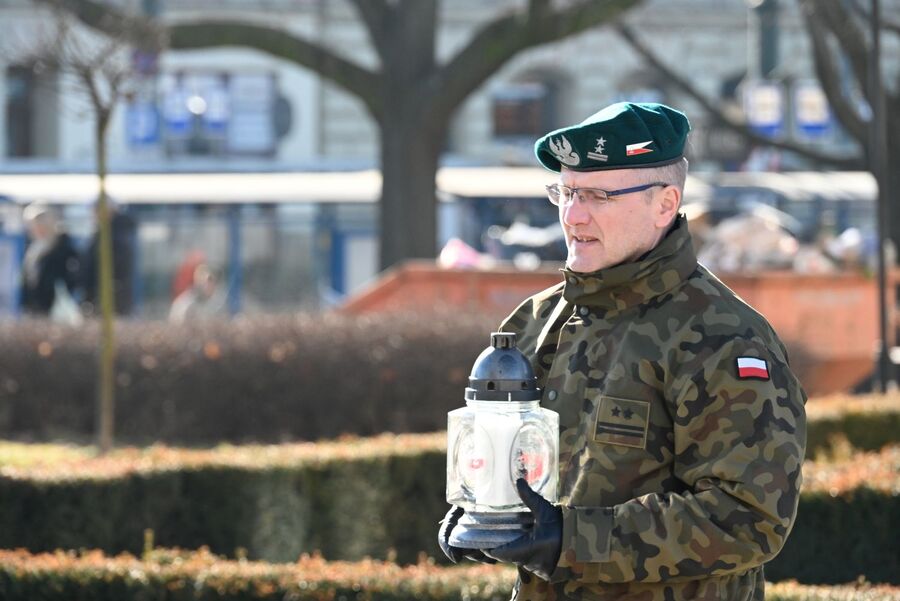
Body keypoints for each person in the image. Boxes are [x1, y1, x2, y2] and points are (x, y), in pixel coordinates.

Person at [438, 102, 807, 600]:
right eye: (566, 192)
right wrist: (484, 509)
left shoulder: (723, 336)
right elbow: (517, 471)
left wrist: (571, 541)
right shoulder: (535, 321)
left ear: (664, 204)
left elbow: (749, 518)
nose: (573, 215)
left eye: (598, 196)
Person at [20, 202, 80, 316]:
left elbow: (68, 278)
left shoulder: (62, 247)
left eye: (36, 225)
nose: (33, 229)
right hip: (34, 306)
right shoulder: (34, 248)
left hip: (54, 307)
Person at [80, 201, 136, 316]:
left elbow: (117, 269)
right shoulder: (102, 233)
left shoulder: (117, 235)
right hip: (102, 297)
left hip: (111, 299)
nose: (95, 215)